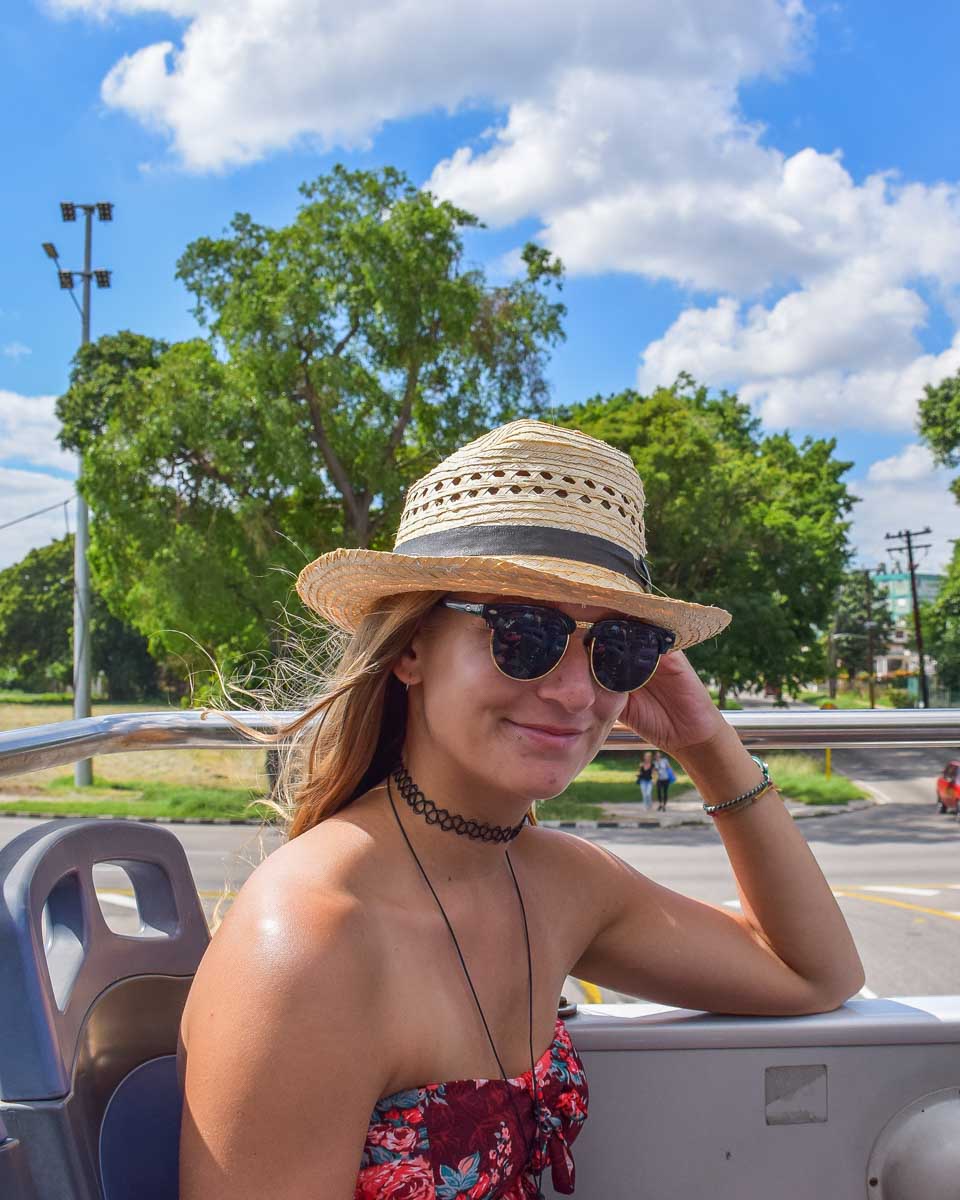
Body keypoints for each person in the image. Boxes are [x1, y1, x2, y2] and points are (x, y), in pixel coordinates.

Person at [176, 420, 865, 1200]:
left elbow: (814, 974)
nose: (577, 693)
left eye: (617, 649)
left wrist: (706, 746)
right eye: (524, 633)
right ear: (410, 651)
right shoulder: (310, 942)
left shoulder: (561, 883)